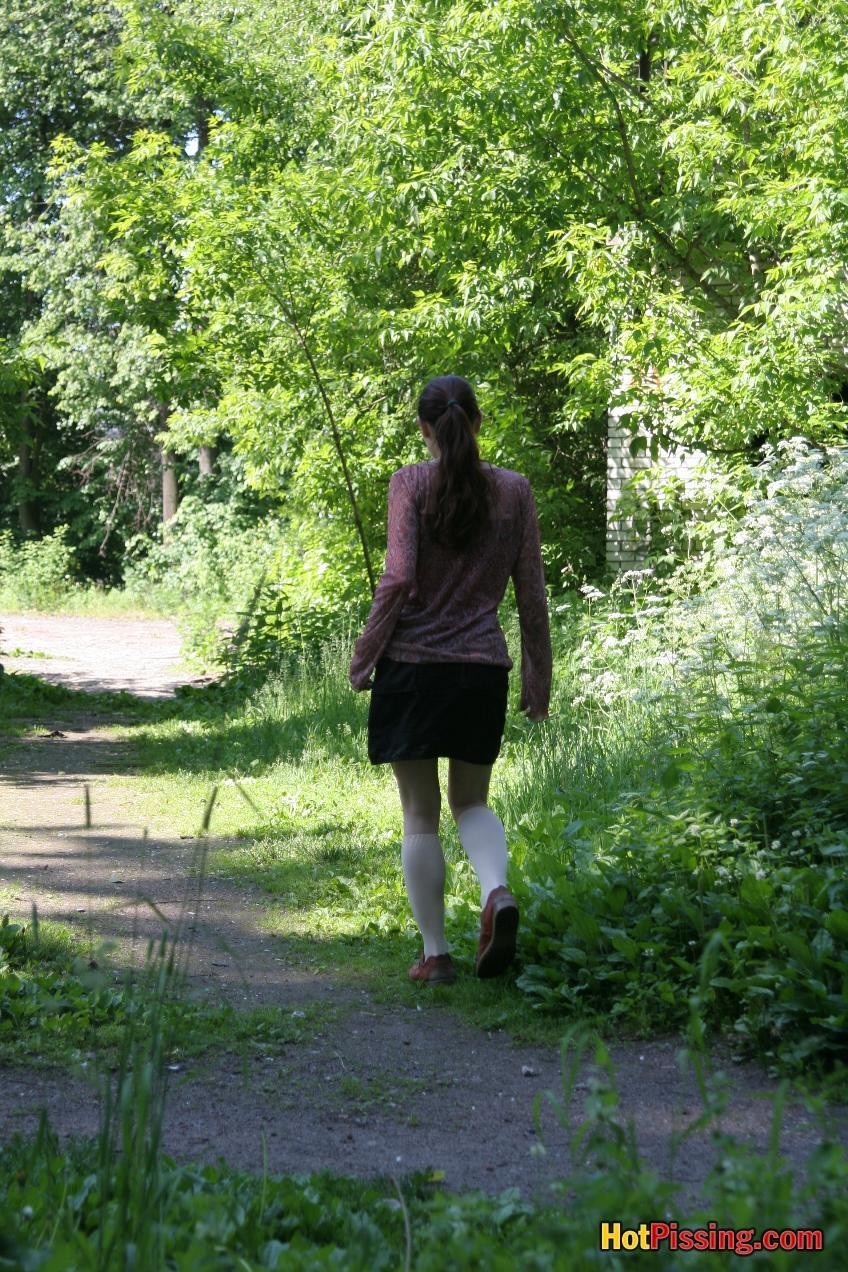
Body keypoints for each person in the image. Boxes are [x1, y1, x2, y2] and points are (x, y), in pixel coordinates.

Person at [348, 374, 552, 985]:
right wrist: (538, 680)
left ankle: (436, 956)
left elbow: (399, 578)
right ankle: (495, 893)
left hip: (411, 670)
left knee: (419, 813)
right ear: (478, 423)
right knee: (472, 802)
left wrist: (365, 654)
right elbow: (532, 597)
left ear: (425, 429)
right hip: (479, 671)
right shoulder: (514, 492)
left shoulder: (409, 484)